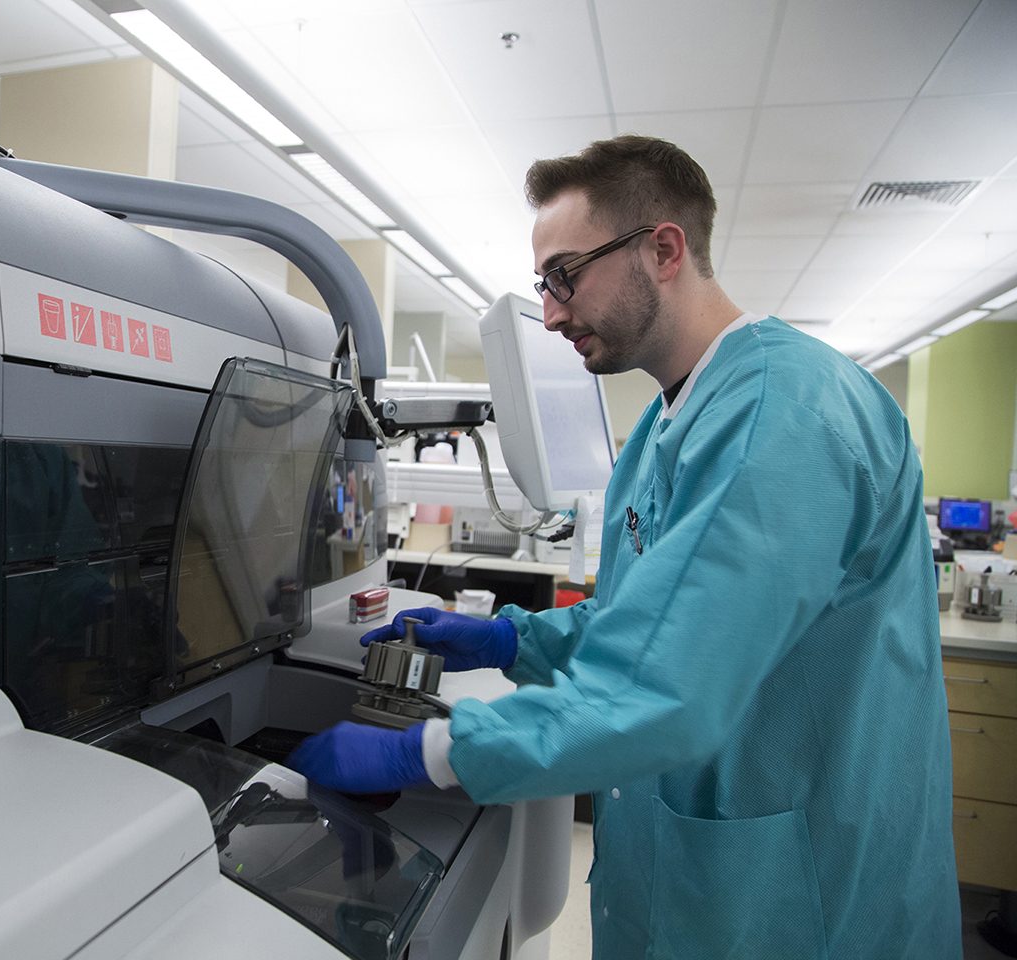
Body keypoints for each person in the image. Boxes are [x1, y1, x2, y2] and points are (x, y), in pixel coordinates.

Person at [290, 135, 961, 959]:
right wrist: (513, 637)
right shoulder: (665, 426)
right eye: (543, 284)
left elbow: (665, 684)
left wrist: (425, 750)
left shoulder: (785, 413)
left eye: (565, 275)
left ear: (664, 250)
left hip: (800, 898)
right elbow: (647, 623)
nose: (551, 310)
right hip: (694, 876)